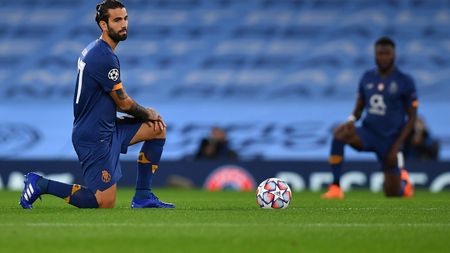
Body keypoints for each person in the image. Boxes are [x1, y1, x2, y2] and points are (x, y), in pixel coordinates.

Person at [20, 0, 174, 209]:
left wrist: (141, 118)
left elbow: (112, 101)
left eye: (126, 18)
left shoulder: (96, 49)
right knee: (104, 202)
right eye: (117, 20)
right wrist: (148, 113)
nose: (124, 24)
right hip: (93, 135)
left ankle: (143, 197)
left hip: (108, 127)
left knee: (157, 130)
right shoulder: (103, 57)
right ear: (103, 24)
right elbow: (124, 103)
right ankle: (40, 183)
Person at [322, 37, 417, 199]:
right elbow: (359, 108)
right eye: (380, 53)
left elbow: (412, 118)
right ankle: (336, 187)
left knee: (392, 195)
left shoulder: (405, 81)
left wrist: (397, 146)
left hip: (391, 139)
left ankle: (403, 184)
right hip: (369, 132)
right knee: (339, 134)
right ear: (375, 54)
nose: (383, 57)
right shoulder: (367, 77)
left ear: (394, 55)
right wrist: (351, 120)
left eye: (387, 53)